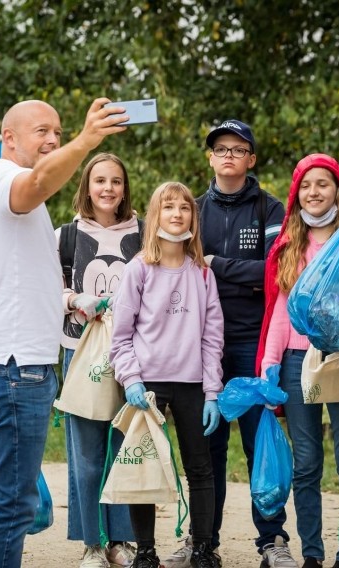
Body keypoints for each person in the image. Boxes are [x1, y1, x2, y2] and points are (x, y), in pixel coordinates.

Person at [0, 98, 127, 567]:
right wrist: (88, 140)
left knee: (12, 501)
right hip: (13, 371)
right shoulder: (6, 185)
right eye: (42, 131)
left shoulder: (5, 195)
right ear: (9, 138)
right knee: (14, 505)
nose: (53, 139)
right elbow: (37, 181)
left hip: (12, 368)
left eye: (59, 130)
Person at [164, 119, 290, 568]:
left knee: (261, 445)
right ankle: (202, 541)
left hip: (255, 345)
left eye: (239, 149)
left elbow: (275, 274)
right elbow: (177, 270)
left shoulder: (271, 209)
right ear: (210, 157)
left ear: (251, 159)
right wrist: (238, 270)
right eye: (221, 148)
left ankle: (273, 540)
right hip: (203, 349)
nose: (229, 155)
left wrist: (218, 265)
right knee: (206, 449)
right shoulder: (193, 210)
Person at [256, 153, 339, 568]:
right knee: (306, 464)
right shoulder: (289, 245)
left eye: (323, 183)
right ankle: (313, 555)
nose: (314, 192)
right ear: (296, 191)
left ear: (338, 189)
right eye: (306, 185)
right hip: (296, 360)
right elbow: (280, 311)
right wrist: (269, 362)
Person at [109, 181, 224, 568]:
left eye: (185, 207)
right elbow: (120, 336)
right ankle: (145, 551)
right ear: (155, 215)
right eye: (169, 207)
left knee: (200, 467)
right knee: (145, 469)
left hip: (192, 383)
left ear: (194, 215)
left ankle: (203, 548)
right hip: (149, 385)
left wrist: (212, 392)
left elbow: (212, 336)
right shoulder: (138, 269)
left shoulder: (203, 273)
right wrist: (132, 380)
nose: (177, 214)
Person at [57, 153, 141, 567]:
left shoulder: (144, 234)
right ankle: (92, 543)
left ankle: (123, 541)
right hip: (80, 354)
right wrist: (75, 299)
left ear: (125, 188)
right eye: (100, 180)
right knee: (87, 458)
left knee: (126, 450)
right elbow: (45, 292)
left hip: (134, 360)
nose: (108, 188)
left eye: (116, 181)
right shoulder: (65, 236)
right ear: (87, 186)